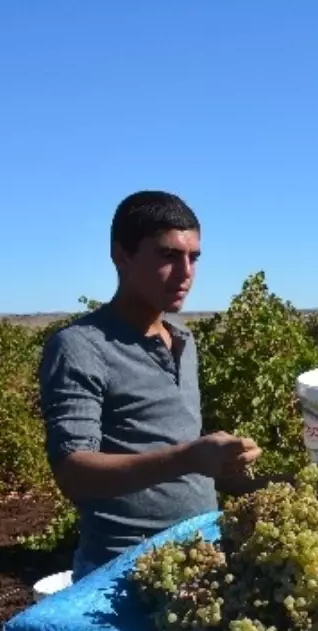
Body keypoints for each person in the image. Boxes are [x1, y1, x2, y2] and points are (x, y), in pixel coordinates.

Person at [39, 190, 272, 581]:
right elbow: (73, 473)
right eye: (168, 256)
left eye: (193, 258)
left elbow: (189, 464)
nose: (185, 273)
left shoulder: (184, 342)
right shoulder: (81, 346)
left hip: (200, 555)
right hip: (124, 570)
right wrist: (189, 457)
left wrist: (282, 482)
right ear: (122, 255)